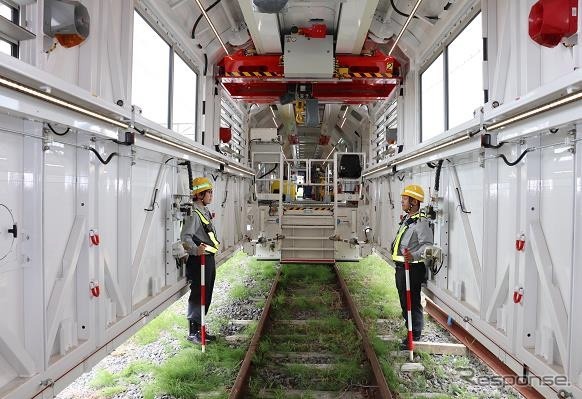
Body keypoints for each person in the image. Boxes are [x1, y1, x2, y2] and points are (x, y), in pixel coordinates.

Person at [391, 184, 433, 348]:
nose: (402, 201)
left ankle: (414, 335)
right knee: (404, 301)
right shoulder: (408, 219)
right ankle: (409, 330)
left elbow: (427, 246)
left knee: (411, 301)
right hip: (402, 268)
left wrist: (413, 255)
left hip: (413, 269)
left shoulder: (421, 222)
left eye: (405, 199)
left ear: (414, 202)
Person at [181, 177, 220, 344]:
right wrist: (196, 250)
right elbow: (185, 237)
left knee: (207, 294)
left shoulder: (203, 211)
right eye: (209, 192)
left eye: (211, 192)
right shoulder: (194, 214)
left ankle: (201, 329)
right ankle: (193, 333)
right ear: (199, 194)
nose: (211, 195)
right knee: (198, 294)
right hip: (199, 261)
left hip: (208, 259)